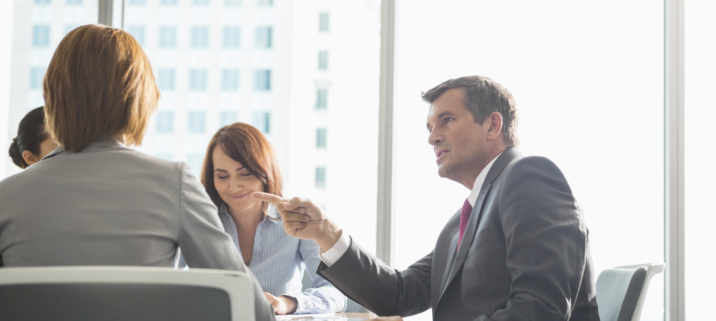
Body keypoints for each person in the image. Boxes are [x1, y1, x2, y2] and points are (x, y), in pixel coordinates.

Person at [256, 76, 600, 320]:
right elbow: (399, 294)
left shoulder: (529, 177)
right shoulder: (464, 219)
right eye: (430, 128)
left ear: (493, 125)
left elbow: (540, 310)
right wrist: (324, 233)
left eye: (446, 121)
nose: (433, 137)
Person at [0, 24, 274, 321]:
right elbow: (250, 307)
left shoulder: (7, 196)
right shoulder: (173, 182)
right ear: (138, 98)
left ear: (53, 98)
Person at [200, 122, 346, 315]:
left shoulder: (295, 219)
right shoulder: (201, 222)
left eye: (245, 174)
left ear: (265, 172)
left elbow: (336, 294)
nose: (234, 187)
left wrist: (287, 303)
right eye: (222, 176)